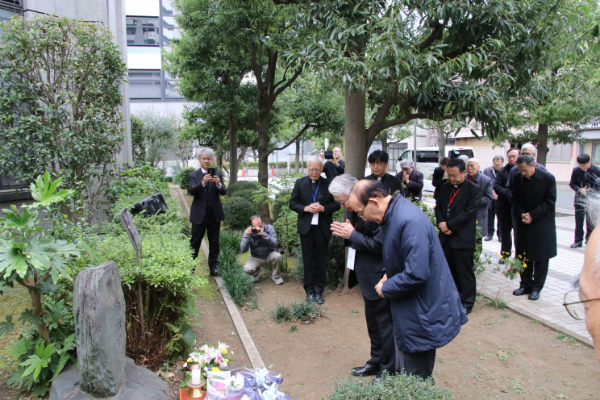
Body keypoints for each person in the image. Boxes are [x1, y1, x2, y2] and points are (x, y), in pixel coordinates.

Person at [348, 180, 467, 380]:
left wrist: (386, 287)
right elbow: (398, 255)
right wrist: (387, 274)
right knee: (409, 370)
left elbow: (416, 273)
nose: (363, 218)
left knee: (416, 376)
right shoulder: (394, 216)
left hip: (423, 311)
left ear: (374, 202)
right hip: (415, 308)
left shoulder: (408, 220)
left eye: (361, 212)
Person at [329, 174, 396, 382]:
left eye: (342, 200)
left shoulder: (374, 210)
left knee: (385, 326)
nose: (342, 205)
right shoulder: (351, 209)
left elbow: (379, 245)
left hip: (379, 274)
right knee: (373, 323)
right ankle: (376, 361)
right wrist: (347, 235)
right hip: (365, 274)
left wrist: (352, 235)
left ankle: (389, 369)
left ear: (354, 192)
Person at [289, 155, 340, 304]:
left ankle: (319, 291)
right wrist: (305, 208)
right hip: (306, 229)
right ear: (307, 168)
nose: (314, 172)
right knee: (308, 261)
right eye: (312, 169)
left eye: (317, 169)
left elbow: (337, 204)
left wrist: (323, 208)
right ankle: (309, 291)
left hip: (323, 228)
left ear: (322, 169)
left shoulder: (328, 183)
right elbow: (292, 203)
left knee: (321, 260)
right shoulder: (300, 183)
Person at [435, 158, 483, 314]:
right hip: (446, 236)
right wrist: (442, 224)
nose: (452, 178)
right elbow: (439, 208)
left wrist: (450, 226)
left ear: (464, 172)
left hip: (462, 236)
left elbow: (469, 213)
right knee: (448, 270)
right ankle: (451, 297)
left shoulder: (474, 189)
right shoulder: (445, 187)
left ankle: (467, 301)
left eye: (455, 175)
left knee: (464, 271)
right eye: (449, 175)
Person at [511, 155, 557, 301]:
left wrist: (533, 215)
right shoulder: (518, 178)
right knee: (523, 255)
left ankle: (536, 287)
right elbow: (515, 198)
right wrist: (522, 214)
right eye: (520, 170)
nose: (523, 173)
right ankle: (525, 284)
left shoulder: (548, 178)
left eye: (525, 170)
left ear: (534, 166)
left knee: (541, 257)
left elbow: (550, 201)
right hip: (523, 222)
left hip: (541, 223)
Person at [189, 148, 227, 276]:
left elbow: (224, 191)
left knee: (214, 242)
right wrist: (203, 183)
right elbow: (192, 191)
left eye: (208, 158)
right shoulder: (193, 175)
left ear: (212, 160)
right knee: (195, 242)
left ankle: (213, 267)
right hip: (199, 215)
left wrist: (218, 184)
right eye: (203, 158)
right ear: (199, 160)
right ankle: (190, 268)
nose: (206, 161)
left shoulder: (218, 174)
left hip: (214, 214)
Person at [240, 215, 283, 285]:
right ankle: (255, 273)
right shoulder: (248, 232)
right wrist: (247, 237)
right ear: (251, 226)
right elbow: (243, 250)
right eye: (256, 227)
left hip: (270, 254)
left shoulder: (269, 228)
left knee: (277, 256)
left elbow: (275, 244)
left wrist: (263, 235)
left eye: (261, 226)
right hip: (256, 256)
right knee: (247, 269)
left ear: (263, 223)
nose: (259, 228)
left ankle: (276, 276)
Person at [494, 148, 520, 264]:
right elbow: (497, 186)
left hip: (518, 208)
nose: (511, 158)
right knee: (505, 233)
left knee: (519, 234)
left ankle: (519, 256)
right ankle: (505, 254)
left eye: (514, 156)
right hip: (504, 206)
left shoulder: (521, 170)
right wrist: (509, 196)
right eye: (509, 156)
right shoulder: (502, 171)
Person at [569, 154, 600, 248]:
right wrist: (579, 189)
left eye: (584, 165)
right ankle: (578, 240)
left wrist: (594, 190)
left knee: (590, 222)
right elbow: (572, 183)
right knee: (579, 221)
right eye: (580, 165)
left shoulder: (597, 170)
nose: (582, 167)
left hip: (592, 200)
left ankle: (589, 241)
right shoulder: (576, 170)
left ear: (589, 162)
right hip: (579, 199)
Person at [465, 158, 494, 245]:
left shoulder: (486, 180)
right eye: (468, 165)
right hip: (464, 213)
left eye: (472, 166)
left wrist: (473, 201)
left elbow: (488, 198)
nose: (469, 168)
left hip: (479, 213)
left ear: (478, 167)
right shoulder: (463, 178)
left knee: (477, 239)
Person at [483, 155, 504, 241]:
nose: (497, 166)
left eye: (499, 164)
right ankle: (490, 233)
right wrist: (491, 192)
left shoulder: (504, 171)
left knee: (501, 217)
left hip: (501, 197)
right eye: (495, 164)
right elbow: (485, 182)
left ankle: (500, 234)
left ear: (502, 163)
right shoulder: (487, 171)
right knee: (490, 216)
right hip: (490, 197)